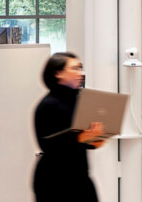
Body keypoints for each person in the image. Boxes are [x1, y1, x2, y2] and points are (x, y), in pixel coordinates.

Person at [32, 53, 106, 202]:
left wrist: (95, 139)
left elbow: (81, 139)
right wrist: (80, 137)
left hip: (79, 178)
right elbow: (48, 144)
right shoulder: (49, 105)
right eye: (74, 68)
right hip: (55, 181)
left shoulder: (77, 102)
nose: (80, 73)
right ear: (58, 73)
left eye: (80, 68)